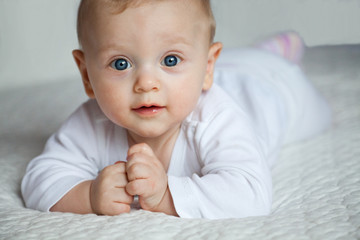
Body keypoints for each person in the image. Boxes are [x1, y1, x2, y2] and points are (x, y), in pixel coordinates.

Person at [21, 0, 331, 219]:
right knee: (225, 65)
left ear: (208, 66)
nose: (146, 83)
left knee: (317, 113)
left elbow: (251, 193)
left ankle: (276, 53)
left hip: (270, 87)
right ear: (87, 75)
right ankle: (257, 52)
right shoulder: (92, 121)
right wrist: (88, 195)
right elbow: (41, 177)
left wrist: (166, 194)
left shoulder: (217, 118)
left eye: (170, 60)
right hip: (214, 73)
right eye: (121, 63)